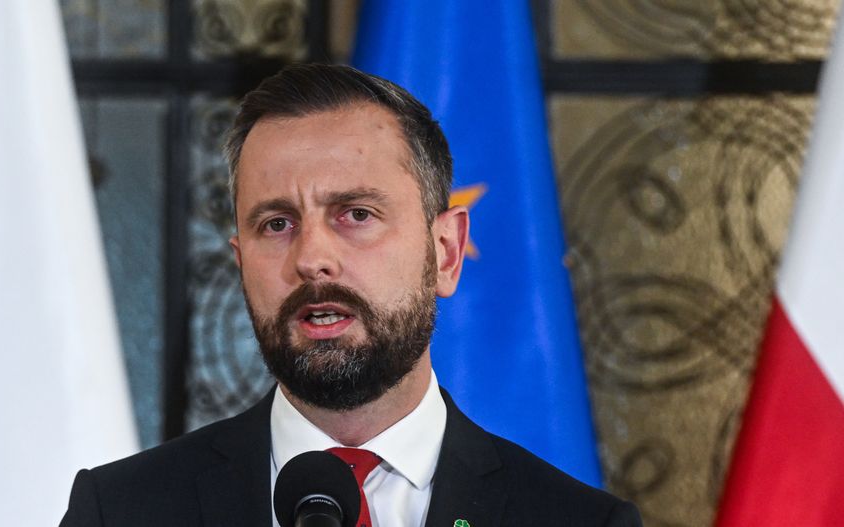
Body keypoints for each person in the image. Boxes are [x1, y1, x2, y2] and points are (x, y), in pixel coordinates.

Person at [60, 63, 642, 527]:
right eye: (276, 224)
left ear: (444, 252)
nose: (312, 258)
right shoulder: (119, 512)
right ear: (241, 264)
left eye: (356, 214)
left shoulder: (579, 521)